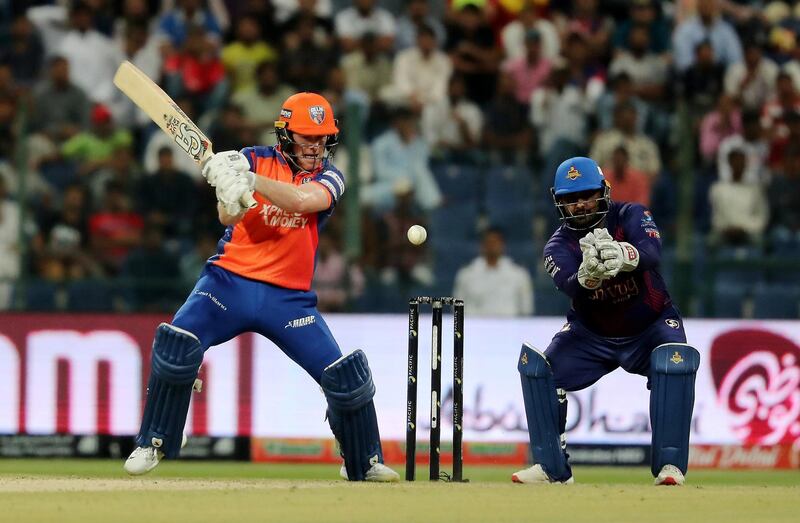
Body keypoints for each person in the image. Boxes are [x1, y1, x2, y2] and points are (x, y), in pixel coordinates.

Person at [123, 92, 399, 482]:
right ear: (285, 134)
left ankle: (363, 460)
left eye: (322, 138)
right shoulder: (251, 156)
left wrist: (249, 180)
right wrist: (229, 188)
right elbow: (226, 214)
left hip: (288, 300)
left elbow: (304, 201)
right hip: (227, 283)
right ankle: (156, 439)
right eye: (307, 136)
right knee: (177, 343)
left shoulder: (330, 175)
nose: (316, 145)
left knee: (343, 377)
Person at [512, 157, 699, 486]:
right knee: (541, 372)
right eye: (570, 199)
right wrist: (587, 277)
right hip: (591, 335)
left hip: (650, 325)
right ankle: (551, 467)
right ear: (558, 202)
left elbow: (653, 251)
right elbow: (569, 283)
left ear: (604, 192)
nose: (580, 205)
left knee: (674, 362)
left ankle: (670, 467)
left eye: (586, 195)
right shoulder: (557, 246)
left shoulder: (631, 215)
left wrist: (626, 255)